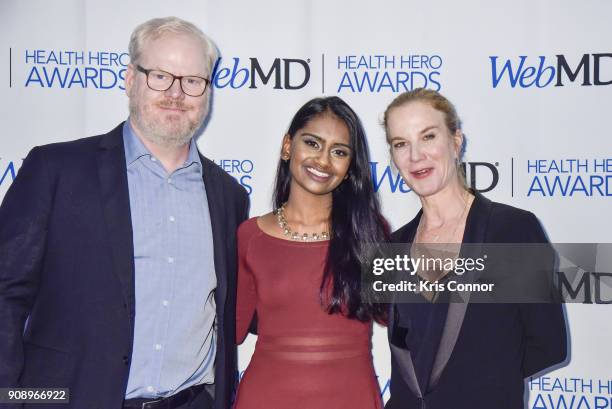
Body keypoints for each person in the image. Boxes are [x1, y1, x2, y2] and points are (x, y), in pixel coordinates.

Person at [0, 17, 249, 409]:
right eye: (160, 76)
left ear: (208, 90)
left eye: (192, 81)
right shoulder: (56, 170)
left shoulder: (229, 196)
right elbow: (5, 295)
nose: (176, 93)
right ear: (131, 78)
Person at [382, 88, 567, 409]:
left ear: (456, 141)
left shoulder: (512, 230)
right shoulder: (394, 245)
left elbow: (549, 345)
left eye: (428, 136)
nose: (415, 155)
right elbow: (405, 352)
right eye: (401, 144)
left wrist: (481, 387)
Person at [234, 96, 388, 409]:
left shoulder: (370, 232)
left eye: (339, 151)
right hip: (265, 399)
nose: (323, 160)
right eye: (312, 143)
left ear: (349, 168)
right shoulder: (250, 236)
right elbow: (232, 330)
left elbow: (401, 318)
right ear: (287, 146)